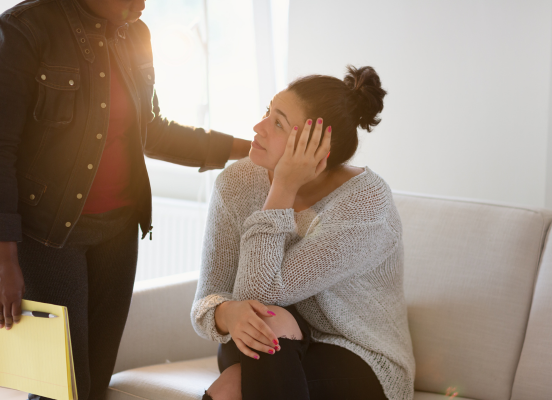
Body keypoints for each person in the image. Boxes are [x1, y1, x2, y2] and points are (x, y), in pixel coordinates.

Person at [0, 0, 250, 399]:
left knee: (96, 384)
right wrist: (4, 259)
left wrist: (250, 150)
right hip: (47, 237)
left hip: (118, 234)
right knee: (61, 390)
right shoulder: (24, 29)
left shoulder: (137, 33)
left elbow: (151, 130)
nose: (141, 5)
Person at [191, 66, 415, 400]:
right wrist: (227, 313)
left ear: (316, 150)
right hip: (262, 336)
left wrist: (282, 186)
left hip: (356, 357)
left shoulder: (365, 203)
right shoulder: (235, 184)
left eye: (278, 123)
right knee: (265, 325)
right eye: (268, 111)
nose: (258, 127)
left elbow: (261, 292)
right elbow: (208, 299)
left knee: (234, 383)